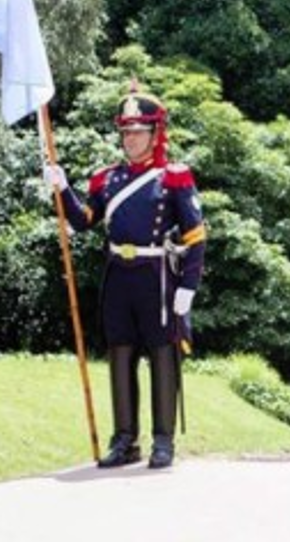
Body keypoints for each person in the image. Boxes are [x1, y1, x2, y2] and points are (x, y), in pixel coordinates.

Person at [45, 85, 206, 469]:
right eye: (126, 131)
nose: (130, 138)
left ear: (154, 134)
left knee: (163, 355)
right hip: (119, 275)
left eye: (138, 131)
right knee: (120, 353)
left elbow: (195, 235)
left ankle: (163, 441)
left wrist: (188, 286)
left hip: (156, 277)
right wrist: (63, 189)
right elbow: (85, 222)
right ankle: (124, 440)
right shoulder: (108, 179)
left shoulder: (174, 177)